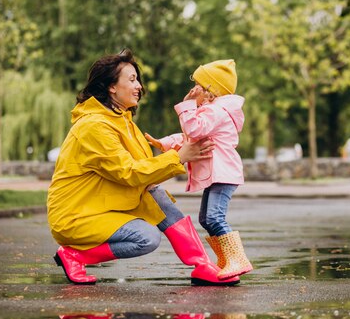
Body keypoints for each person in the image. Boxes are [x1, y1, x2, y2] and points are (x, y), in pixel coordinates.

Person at [47, 49, 239, 286]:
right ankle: (74, 255)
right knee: (146, 237)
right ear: (111, 87)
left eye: (137, 79)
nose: (138, 85)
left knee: (155, 193)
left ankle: (202, 265)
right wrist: (178, 157)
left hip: (106, 201)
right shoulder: (93, 126)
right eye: (131, 79)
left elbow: (143, 169)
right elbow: (128, 172)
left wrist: (178, 149)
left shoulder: (121, 119)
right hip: (78, 214)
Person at [146, 59, 253, 280]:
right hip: (219, 173)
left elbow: (194, 129)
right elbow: (189, 137)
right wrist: (164, 143)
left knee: (214, 217)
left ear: (211, 91)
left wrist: (188, 104)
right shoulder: (211, 110)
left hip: (223, 173)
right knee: (206, 218)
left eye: (199, 86)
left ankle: (237, 260)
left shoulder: (217, 111)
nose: (194, 90)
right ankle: (225, 260)